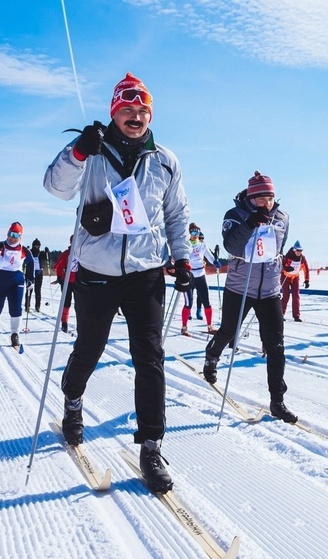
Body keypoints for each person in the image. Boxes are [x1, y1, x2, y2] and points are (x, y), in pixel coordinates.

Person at [43, 72, 191, 493]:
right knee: (88, 347)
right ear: (114, 112)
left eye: (143, 110)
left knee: (150, 358)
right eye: (127, 109)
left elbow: (176, 214)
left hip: (145, 273)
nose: (136, 115)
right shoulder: (92, 149)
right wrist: (77, 152)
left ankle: (151, 445)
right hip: (97, 272)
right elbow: (56, 188)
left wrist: (180, 258)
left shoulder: (164, 160)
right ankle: (73, 400)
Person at [202, 170, 297, 424]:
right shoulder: (234, 215)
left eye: (270, 198)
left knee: (276, 345)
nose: (267, 203)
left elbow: (279, 247)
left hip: (269, 290)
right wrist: (250, 223)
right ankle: (212, 355)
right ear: (251, 198)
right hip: (240, 287)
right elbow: (232, 245)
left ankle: (278, 401)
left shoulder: (282, 218)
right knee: (229, 332)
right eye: (261, 198)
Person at [180, 223, 219, 335]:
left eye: (197, 231)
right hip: (189, 275)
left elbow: (210, 257)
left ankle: (210, 327)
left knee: (206, 301)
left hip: (200, 274)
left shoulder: (202, 245)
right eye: (193, 232)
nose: (195, 234)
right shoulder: (186, 245)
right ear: (189, 232)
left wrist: (215, 262)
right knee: (189, 302)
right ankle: (184, 327)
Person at [0, 222, 34, 348]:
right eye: (10, 234)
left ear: (20, 237)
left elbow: (30, 264)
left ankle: (15, 334)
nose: (12, 237)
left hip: (16, 281)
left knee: (15, 308)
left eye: (15, 235)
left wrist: (31, 279)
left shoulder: (24, 250)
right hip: (1, 279)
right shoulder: (1, 246)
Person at [53, 236, 78, 333]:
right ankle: (64, 322)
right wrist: (59, 277)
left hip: (78, 281)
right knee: (66, 302)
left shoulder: (82, 253)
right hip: (66, 281)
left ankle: (80, 323)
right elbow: (59, 265)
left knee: (79, 303)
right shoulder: (66, 253)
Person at [281, 240, 310, 322]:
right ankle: (281, 314)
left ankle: (296, 316)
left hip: (295, 278)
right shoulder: (288, 256)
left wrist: (307, 280)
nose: (299, 252)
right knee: (286, 296)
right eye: (297, 250)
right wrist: (286, 268)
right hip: (286, 277)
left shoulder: (302, 258)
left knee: (296, 296)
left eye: (300, 250)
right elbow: (281, 265)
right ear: (294, 250)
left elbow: (306, 269)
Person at [26, 239, 49, 313]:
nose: (37, 247)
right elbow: (25, 259)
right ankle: (27, 306)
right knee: (29, 289)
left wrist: (46, 252)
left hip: (39, 273)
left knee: (38, 290)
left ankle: (37, 306)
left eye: (38, 245)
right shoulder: (30, 252)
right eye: (35, 245)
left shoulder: (41, 253)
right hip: (30, 273)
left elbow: (46, 258)